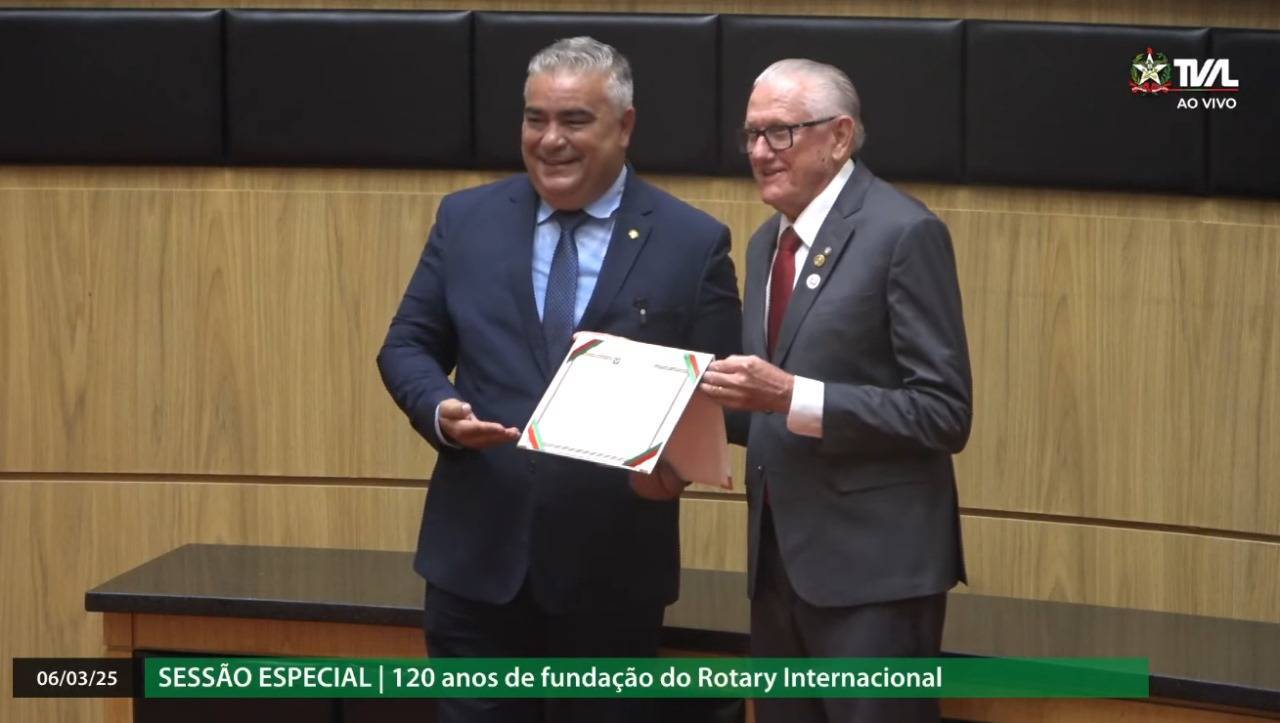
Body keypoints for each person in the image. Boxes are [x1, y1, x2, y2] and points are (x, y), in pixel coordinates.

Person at [376, 36, 741, 723]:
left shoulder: (692, 241)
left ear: (624, 126)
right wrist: (440, 408)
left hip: (613, 579)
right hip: (475, 570)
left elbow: (725, 398)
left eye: (574, 120)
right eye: (534, 119)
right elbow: (408, 345)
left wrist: (676, 464)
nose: (550, 140)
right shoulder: (467, 220)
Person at [702, 58, 972, 723]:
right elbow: (764, 403)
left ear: (840, 136)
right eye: (751, 135)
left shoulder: (903, 232)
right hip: (777, 570)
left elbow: (944, 412)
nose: (760, 152)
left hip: (874, 580)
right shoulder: (767, 244)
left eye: (780, 132)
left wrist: (793, 395)